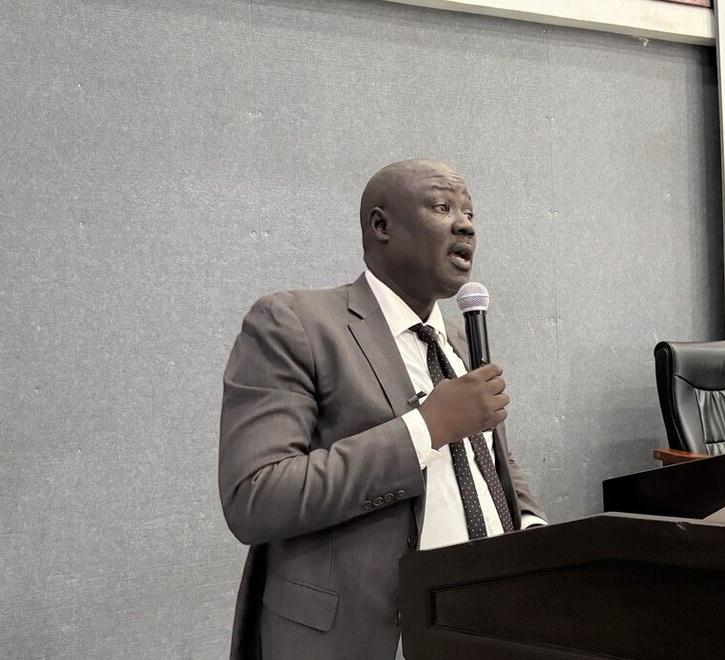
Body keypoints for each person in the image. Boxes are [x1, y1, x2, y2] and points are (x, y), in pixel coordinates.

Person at [218, 159, 546, 659]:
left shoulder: (458, 339)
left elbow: (489, 459)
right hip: (361, 639)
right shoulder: (296, 323)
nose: (466, 225)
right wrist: (425, 429)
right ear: (381, 225)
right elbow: (256, 497)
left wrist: (532, 527)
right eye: (443, 207)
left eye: (470, 212)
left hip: (479, 626)